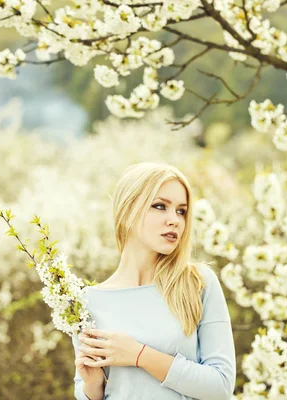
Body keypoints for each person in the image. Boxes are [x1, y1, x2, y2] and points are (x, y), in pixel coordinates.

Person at [71, 162, 236, 400]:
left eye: (181, 211)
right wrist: (93, 386)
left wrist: (139, 355)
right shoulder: (87, 301)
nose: (175, 220)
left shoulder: (197, 283)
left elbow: (220, 387)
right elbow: (87, 388)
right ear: (127, 212)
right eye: (160, 206)